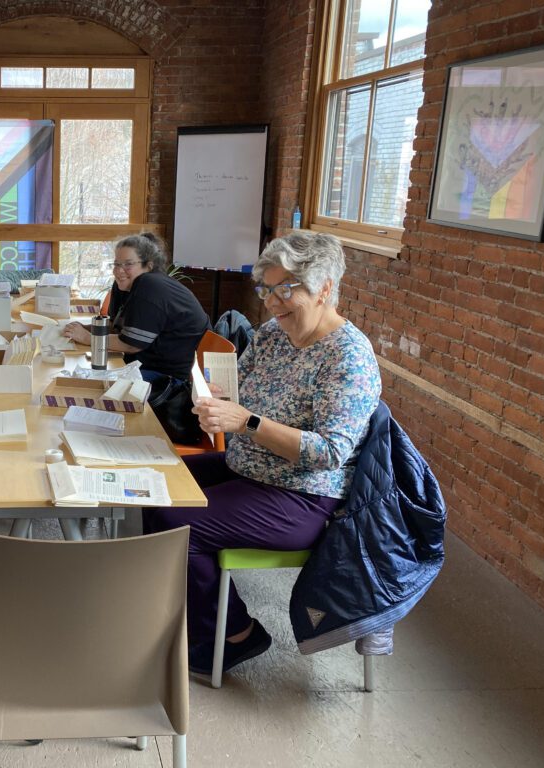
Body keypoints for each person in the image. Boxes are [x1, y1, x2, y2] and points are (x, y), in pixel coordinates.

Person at [144, 230, 381, 677]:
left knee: (179, 524)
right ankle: (184, 610)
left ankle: (236, 633)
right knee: (153, 482)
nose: (272, 302)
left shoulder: (348, 357)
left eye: (285, 289)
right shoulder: (274, 334)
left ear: (325, 287)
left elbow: (330, 451)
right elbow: (240, 391)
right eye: (266, 289)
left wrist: (245, 421)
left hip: (303, 497)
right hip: (248, 468)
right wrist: (216, 396)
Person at [62, 232, 210, 387]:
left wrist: (87, 338)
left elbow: (131, 345)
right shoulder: (129, 284)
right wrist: (84, 329)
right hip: (146, 365)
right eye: (117, 264)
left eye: (128, 264)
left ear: (149, 265)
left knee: (90, 386)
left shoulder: (150, 285)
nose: (119, 271)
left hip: (169, 379)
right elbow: (116, 327)